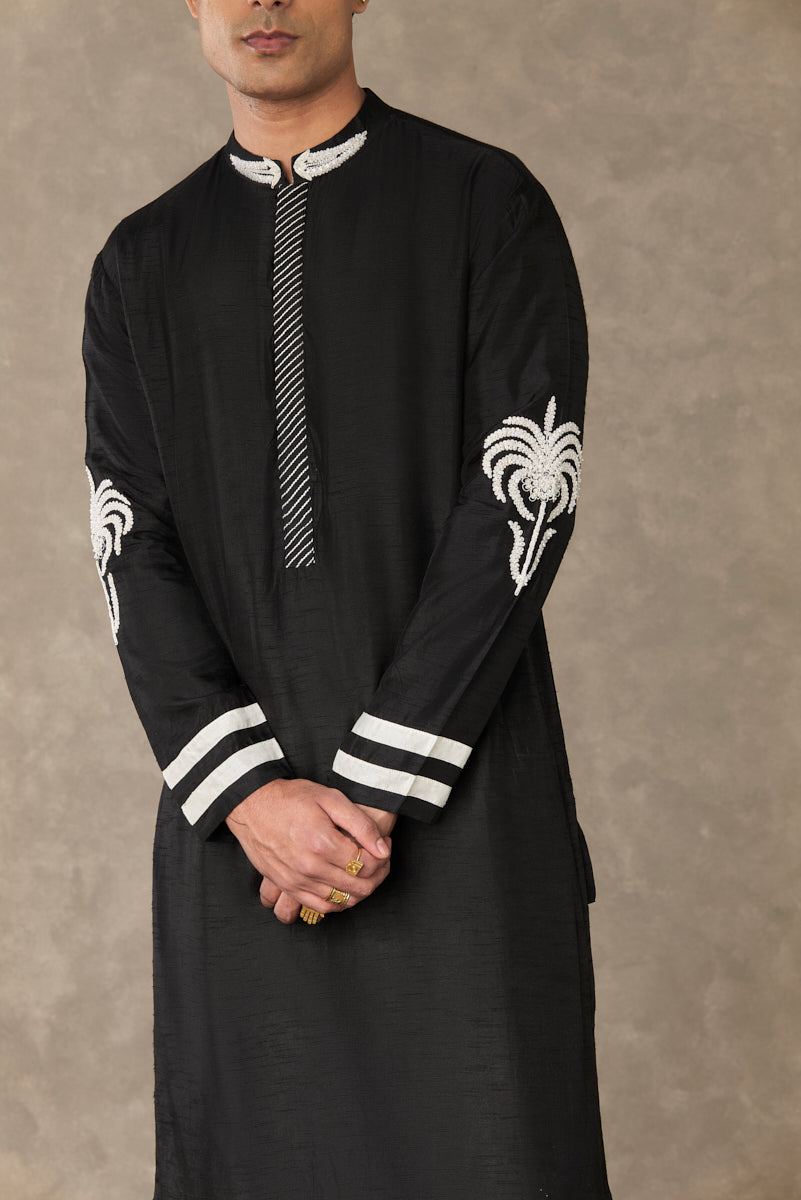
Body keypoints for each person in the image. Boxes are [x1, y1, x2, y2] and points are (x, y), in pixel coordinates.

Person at [82, 0, 613, 1196]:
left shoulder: (484, 204)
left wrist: (367, 795)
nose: (266, 3)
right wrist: (253, 798)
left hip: (462, 809)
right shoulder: (140, 263)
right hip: (241, 837)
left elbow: (522, 497)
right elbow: (130, 544)